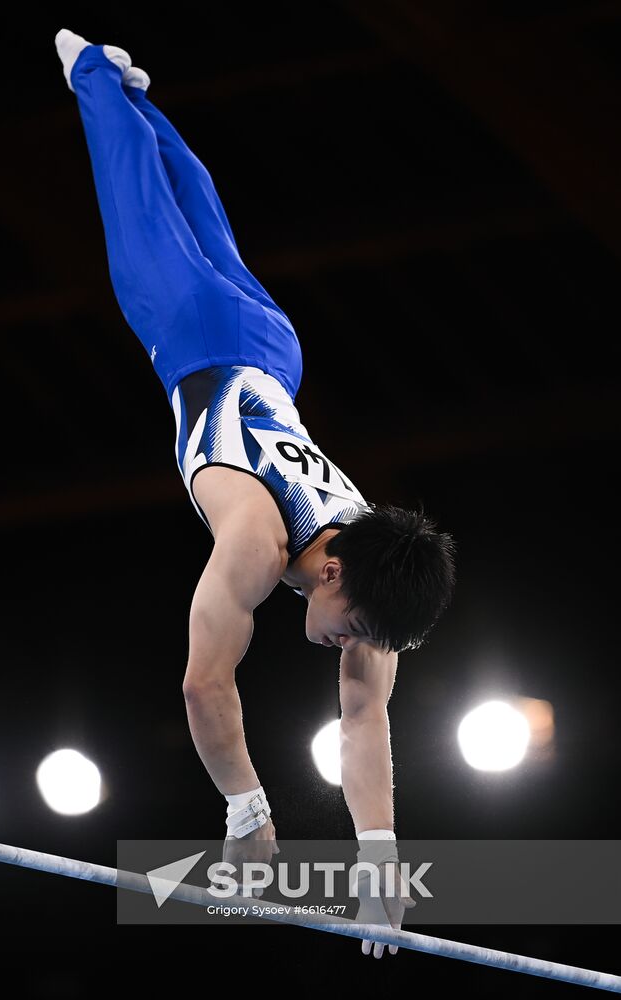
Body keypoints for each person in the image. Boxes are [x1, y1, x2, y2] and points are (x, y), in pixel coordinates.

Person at [54, 28, 457, 957]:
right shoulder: (256, 535)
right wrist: (247, 813)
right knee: (139, 210)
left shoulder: (372, 578)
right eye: (354, 626)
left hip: (275, 350)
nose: (349, 644)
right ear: (337, 567)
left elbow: (365, 721)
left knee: (204, 218)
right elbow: (202, 683)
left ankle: (139, 94)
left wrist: (380, 857)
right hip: (192, 335)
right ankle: (87, 68)